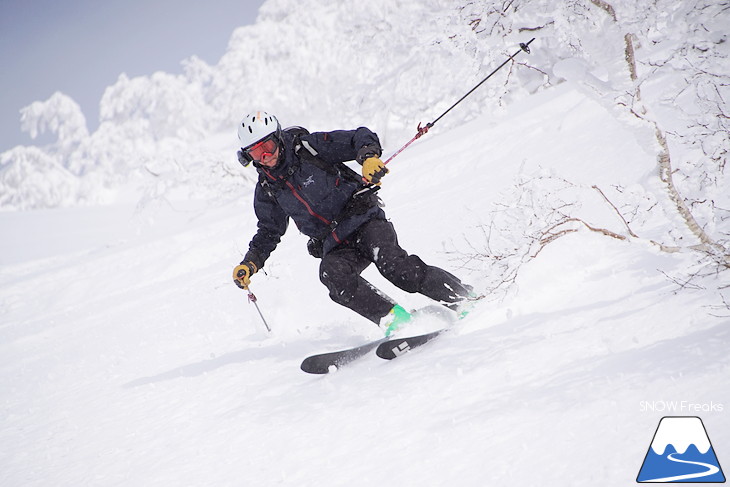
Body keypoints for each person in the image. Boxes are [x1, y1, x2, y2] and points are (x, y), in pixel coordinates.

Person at [232, 111, 473, 335]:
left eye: (268, 146)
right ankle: (398, 322)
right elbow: (269, 230)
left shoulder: (309, 148)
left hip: (364, 221)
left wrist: (368, 158)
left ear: (278, 138)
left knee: (397, 269)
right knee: (332, 274)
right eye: (256, 153)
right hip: (335, 243)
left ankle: (464, 299)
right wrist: (250, 263)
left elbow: (358, 137)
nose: (266, 156)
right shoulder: (268, 189)